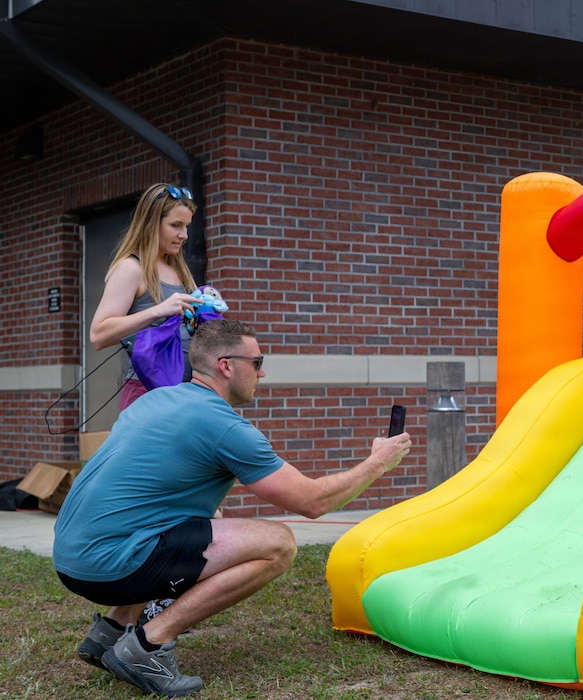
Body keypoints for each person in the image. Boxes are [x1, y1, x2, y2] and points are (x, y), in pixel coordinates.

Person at [53, 319, 412, 697]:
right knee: (277, 544)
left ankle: (109, 632)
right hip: (108, 565)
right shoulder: (225, 427)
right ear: (227, 365)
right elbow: (312, 501)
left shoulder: (158, 399)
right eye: (257, 362)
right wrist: (376, 464)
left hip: (71, 557)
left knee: (206, 520)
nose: (262, 371)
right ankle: (147, 646)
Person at [89, 183, 203, 410]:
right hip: (147, 393)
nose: (184, 235)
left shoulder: (179, 268)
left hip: (185, 392)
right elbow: (98, 335)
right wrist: (158, 310)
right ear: (152, 224)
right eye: (176, 225)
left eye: (187, 226)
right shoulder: (131, 269)